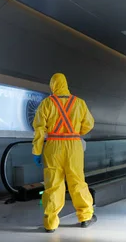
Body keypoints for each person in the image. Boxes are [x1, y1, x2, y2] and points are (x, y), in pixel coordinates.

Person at [32, 73, 97, 233]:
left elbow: (39, 129)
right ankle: (85, 216)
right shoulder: (79, 103)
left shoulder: (47, 103)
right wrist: (75, 132)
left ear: (53, 85)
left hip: (53, 146)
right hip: (73, 145)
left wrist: (37, 150)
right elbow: (89, 124)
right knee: (77, 181)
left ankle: (51, 223)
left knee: (53, 184)